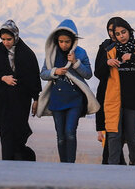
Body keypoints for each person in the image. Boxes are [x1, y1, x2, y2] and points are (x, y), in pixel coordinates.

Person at [94, 17, 135, 166]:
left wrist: (133, 57)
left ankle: (133, 162)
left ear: (129, 31)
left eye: (123, 32)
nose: (121, 36)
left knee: (132, 135)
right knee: (113, 134)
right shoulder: (110, 51)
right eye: (117, 34)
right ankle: (113, 166)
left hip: (134, 101)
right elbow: (98, 73)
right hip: (114, 100)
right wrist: (107, 63)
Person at [37, 19, 96, 163]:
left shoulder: (81, 53)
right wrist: (54, 71)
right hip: (57, 99)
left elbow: (88, 74)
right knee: (60, 136)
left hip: (75, 99)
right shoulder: (51, 53)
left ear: (73, 41)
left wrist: (76, 63)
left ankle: (71, 165)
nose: (64, 44)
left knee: (70, 132)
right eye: (61, 41)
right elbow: (43, 73)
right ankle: (63, 165)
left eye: (67, 42)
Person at [0, 20, 41, 161]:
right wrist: (3, 78)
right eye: (3, 39)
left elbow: (33, 77)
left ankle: (19, 161)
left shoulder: (27, 53)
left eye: (9, 39)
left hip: (20, 101)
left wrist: (36, 99)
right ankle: (7, 163)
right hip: (1, 100)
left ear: (16, 36)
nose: (6, 42)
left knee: (18, 133)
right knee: (6, 133)